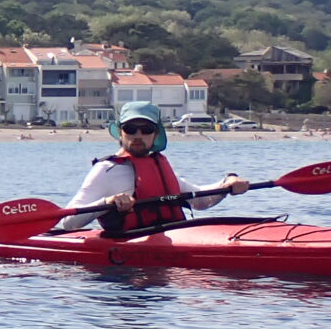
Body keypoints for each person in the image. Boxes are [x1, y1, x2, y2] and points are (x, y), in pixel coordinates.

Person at [56, 101, 247, 236]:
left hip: (174, 244)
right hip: (126, 268)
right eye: (131, 129)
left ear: (155, 134)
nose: (138, 135)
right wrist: (107, 202)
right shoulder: (106, 170)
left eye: (146, 129)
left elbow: (199, 200)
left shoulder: (158, 165)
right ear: (121, 132)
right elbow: (68, 223)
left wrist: (228, 182)